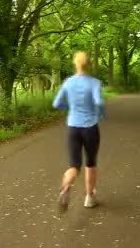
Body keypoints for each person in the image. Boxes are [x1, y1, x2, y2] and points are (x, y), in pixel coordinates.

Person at [52, 51, 105, 212]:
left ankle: (66, 186)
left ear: (75, 64)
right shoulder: (95, 83)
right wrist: (101, 112)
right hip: (90, 127)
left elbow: (56, 103)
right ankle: (89, 197)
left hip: (73, 127)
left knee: (74, 164)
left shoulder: (68, 82)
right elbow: (98, 101)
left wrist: (69, 107)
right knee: (90, 162)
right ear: (88, 64)